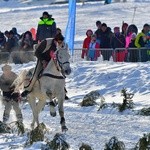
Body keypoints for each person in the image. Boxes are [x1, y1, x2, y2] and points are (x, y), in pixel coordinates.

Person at [21, 33, 68, 97]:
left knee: (62, 73)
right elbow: (37, 52)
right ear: (55, 40)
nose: (59, 44)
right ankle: (28, 89)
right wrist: (43, 61)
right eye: (58, 42)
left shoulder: (62, 45)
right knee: (36, 73)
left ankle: (63, 89)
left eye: (61, 42)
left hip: (53, 60)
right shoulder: (46, 42)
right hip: (42, 58)